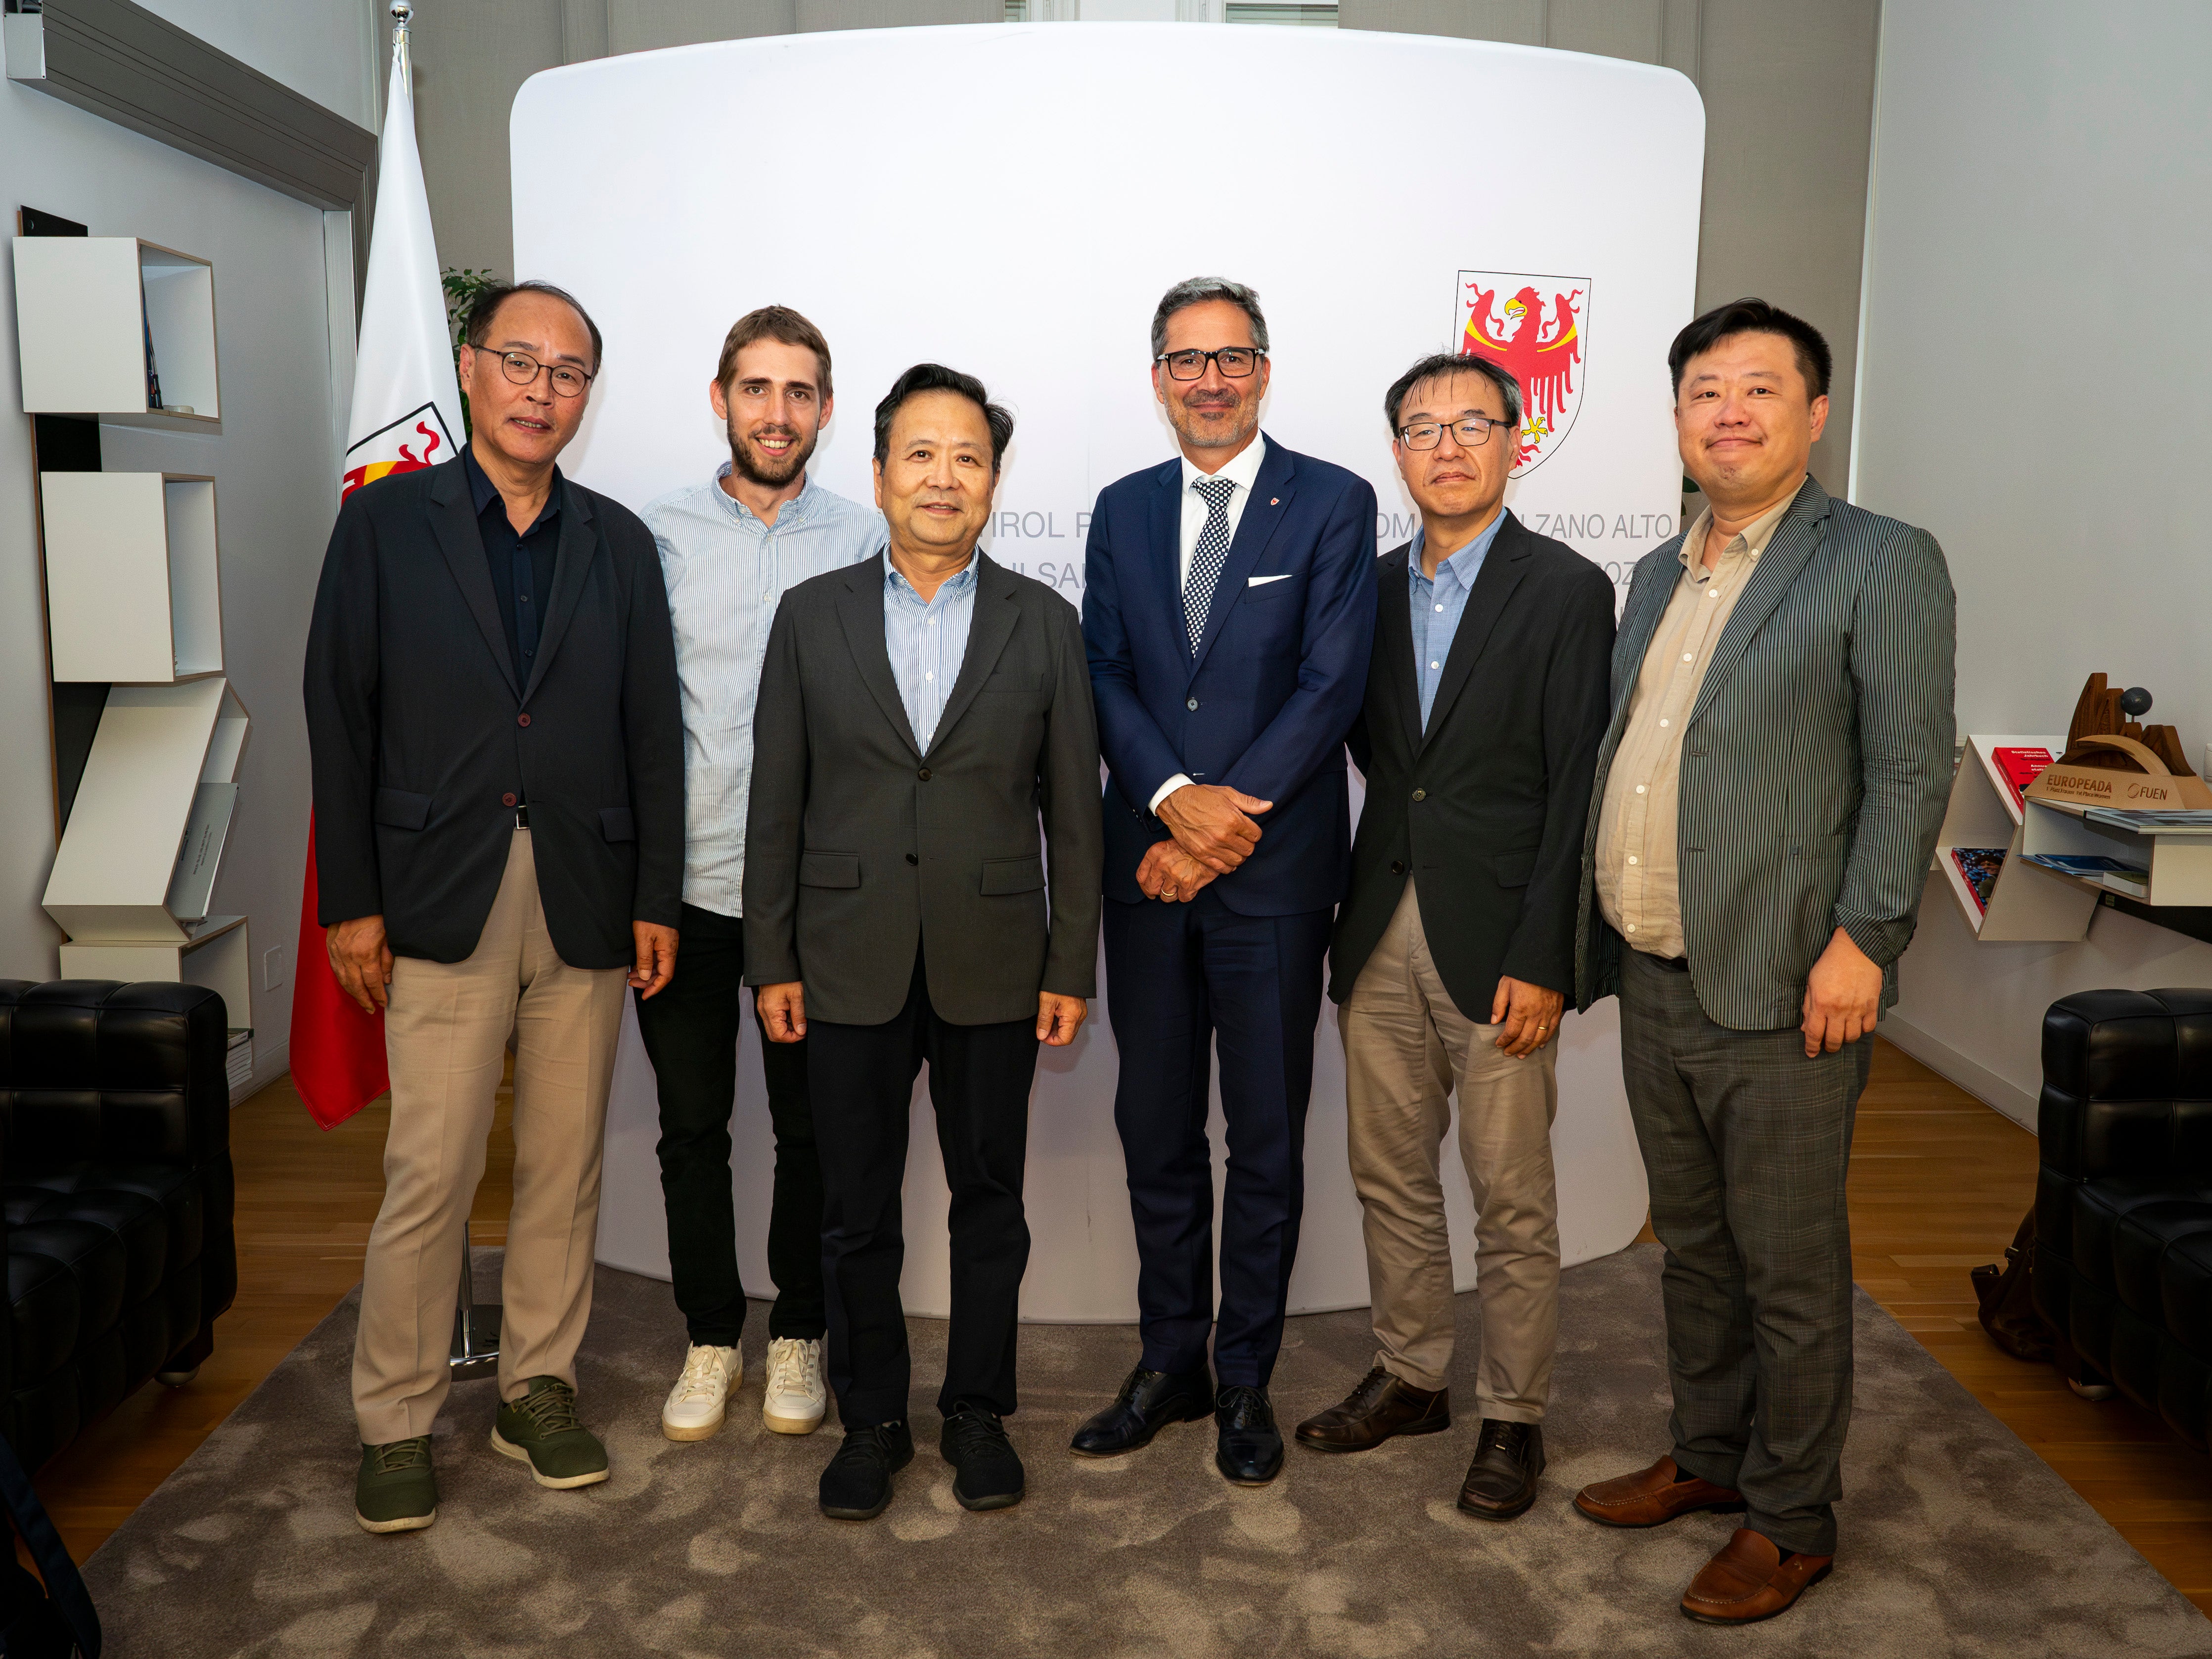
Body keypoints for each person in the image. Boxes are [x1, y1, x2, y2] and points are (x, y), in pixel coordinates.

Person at [1570, 298, 1954, 1624]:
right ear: (1677, 417)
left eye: (1758, 389)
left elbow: (1909, 770)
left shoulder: (1879, 560)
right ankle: (1713, 1455)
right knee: (1695, 1251)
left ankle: (1792, 1519)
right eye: (1703, 391)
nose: (1727, 411)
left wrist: (1865, 941)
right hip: (1654, 966)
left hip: (1791, 979)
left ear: (1814, 411)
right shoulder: (1654, 573)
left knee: (1788, 1267)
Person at [307, 280, 684, 1534]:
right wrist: (350, 903)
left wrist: (656, 895)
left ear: (587, 395)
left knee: (566, 1165)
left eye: (567, 372)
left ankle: (538, 1386)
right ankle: (398, 1415)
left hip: (585, 894)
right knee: (433, 1167)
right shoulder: (384, 524)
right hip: (436, 891)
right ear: (470, 371)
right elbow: (340, 712)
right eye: (518, 362)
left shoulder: (618, 542)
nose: (541, 389)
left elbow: (651, 735)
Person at [744, 363, 1103, 1523]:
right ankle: (875, 1420)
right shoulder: (811, 616)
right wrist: (771, 957)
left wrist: (1068, 964)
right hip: (842, 956)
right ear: (881, 471)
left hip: (996, 960)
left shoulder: (1044, 623)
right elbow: (776, 803)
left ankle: (977, 1413)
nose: (942, 477)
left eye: (967, 458)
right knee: (853, 1209)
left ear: (993, 481)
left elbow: (1075, 816)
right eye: (920, 454)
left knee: (988, 1200)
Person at [1293, 353, 1613, 1521]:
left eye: (1469, 424)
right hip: (1378, 921)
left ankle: (1513, 1417)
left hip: (1503, 941)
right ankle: (1413, 1374)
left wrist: (1546, 953)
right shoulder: (1364, 590)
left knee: (1510, 1194)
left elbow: (1577, 784)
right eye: (1419, 427)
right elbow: (1387, 764)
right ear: (1396, 451)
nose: (1444, 446)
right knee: (1388, 1173)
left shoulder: (1568, 589)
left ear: (1512, 441)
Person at [1075, 276, 1378, 1487]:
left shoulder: (1334, 503)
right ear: (1156, 379)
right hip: (1147, 869)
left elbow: (1331, 685)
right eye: (1185, 360)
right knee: (1153, 1123)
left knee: (1261, 1133)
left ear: (1264, 369)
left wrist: (1213, 822)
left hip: (1271, 874)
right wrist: (1165, 801)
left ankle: (1244, 1369)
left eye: (1231, 356)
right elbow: (1101, 669)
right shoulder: (1121, 507)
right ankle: (1170, 1360)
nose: (1208, 379)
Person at [636, 307, 884, 1444]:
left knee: (811, 1130)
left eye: (799, 393)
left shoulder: (865, 541)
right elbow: (632, 721)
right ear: (719, 398)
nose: (776, 413)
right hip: (687, 889)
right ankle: (706, 1336)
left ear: (826, 411)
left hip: (815, 897)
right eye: (755, 389)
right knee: (690, 1127)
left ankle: (798, 1330)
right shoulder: (658, 536)